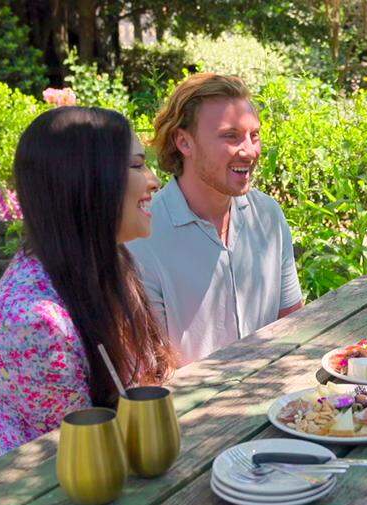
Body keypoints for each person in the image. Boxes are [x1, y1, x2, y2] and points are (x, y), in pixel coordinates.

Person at [0, 107, 175, 457]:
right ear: (87, 181)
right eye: (137, 165)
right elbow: (87, 458)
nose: (154, 180)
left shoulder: (107, 262)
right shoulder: (34, 322)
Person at [127, 73, 303, 365]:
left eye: (254, 135)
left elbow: (293, 327)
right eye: (230, 136)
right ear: (184, 142)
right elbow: (152, 372)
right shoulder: (143, 236)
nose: (249, 151)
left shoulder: (268, 216)